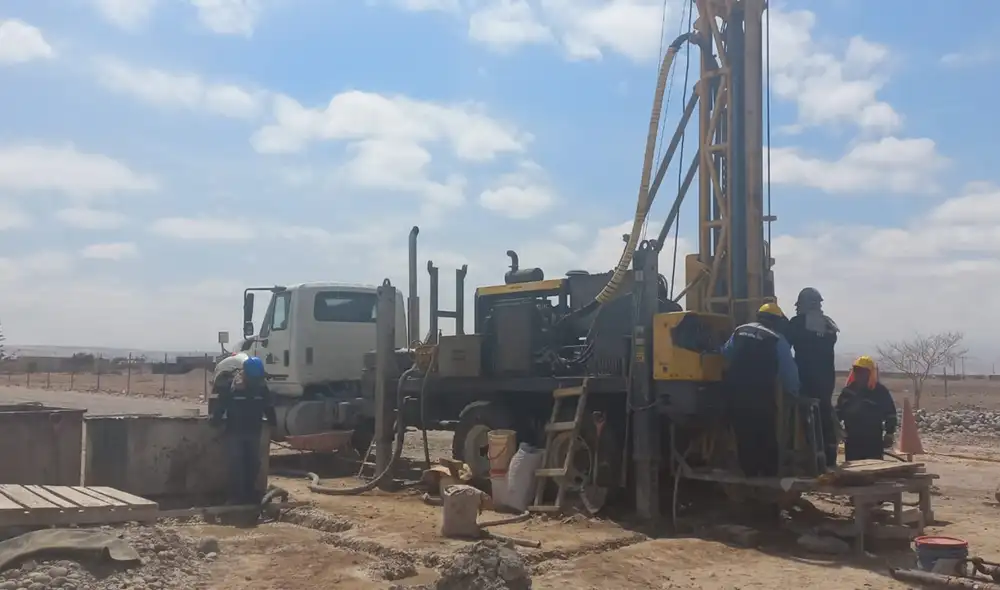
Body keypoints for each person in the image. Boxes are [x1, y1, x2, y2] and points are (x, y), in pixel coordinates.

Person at [721, 302, 800, 477]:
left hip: (735, 395)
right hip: (761, 396)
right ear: (777, 321)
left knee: (743, 434)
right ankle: (768, 474)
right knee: (765, 434)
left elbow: (725, 353)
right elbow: (788, 371)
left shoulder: (740, 331)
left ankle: (749, 473)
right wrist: (793, 392)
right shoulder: (777, 339)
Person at [210, 356, 277, 504]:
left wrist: (273, 423)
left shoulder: (261, 388)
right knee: (237, 465)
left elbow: (268, 407)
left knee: (252, 464)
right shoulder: (232, 387)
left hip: (254, 432)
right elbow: (221, 405)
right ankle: (236, 497)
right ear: (245, 375)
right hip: (235, 432)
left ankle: (249, 494)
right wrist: (215, 420)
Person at [786, 287, 840, 469]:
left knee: (802, 416)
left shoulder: (797, 323)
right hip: (827, 379)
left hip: (806, 377)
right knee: (825, 413)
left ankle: (808, 459)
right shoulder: (829, 324)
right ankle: (830, 458)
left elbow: (783, 343)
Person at [835, 355, 897, 462]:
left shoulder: (879, 391)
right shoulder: (848, 392)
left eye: (863, 371)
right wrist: (838, 429)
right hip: (853, 440)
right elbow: (837, 412)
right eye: (857, 370)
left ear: (870, 373)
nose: (859, 374)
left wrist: (889, 433)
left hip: (873, 440)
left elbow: (890, 413)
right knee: (854, 472)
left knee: (875, 470)